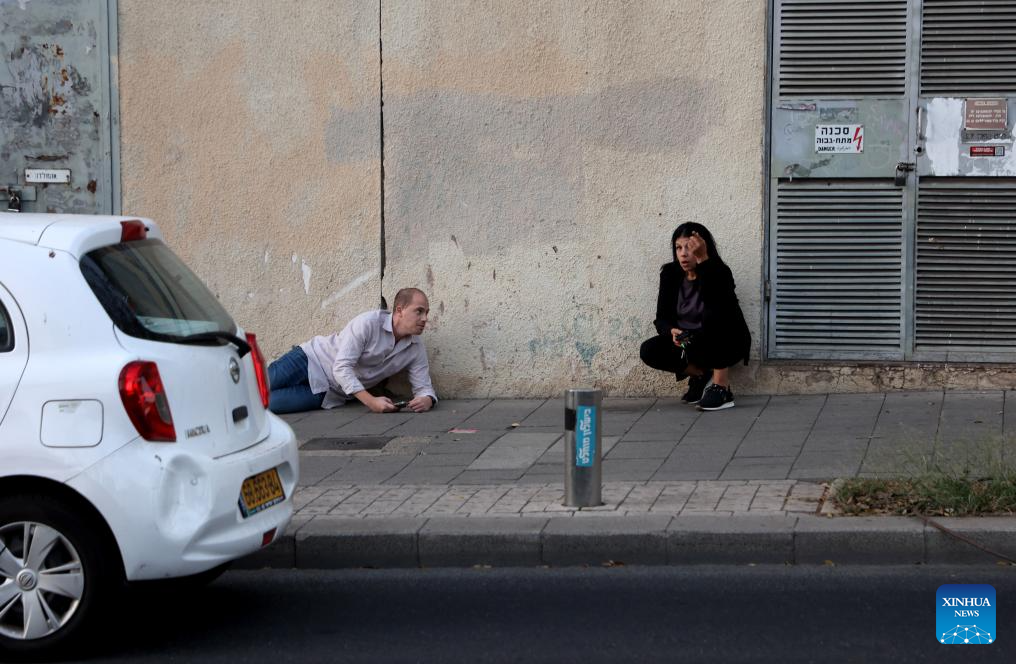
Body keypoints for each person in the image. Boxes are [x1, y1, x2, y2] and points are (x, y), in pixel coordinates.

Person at [267, 287, 438, 414]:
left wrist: (427, 400)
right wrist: (371, 402)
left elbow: (424, 388)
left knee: (263, 405)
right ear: (399, 310)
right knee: (255, 384)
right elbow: (341, 368)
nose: (425, 319)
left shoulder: (415, 347)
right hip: (308, 360)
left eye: (426, 313)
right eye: (419, 311)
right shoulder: (368, 323)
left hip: (326, 392)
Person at [639, 223, 751, 411]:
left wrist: (703, 260)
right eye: (678, 248)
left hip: (726, 342)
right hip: (690, 342)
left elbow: (722, 310)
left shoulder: (720, 272)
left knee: (716, 316)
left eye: (690, 248)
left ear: (702, 248)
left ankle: (722, 387)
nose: (683, 254)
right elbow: (661, 319)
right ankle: (700, 374)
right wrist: (671, 331)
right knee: (649, 349)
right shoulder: (670, 274)